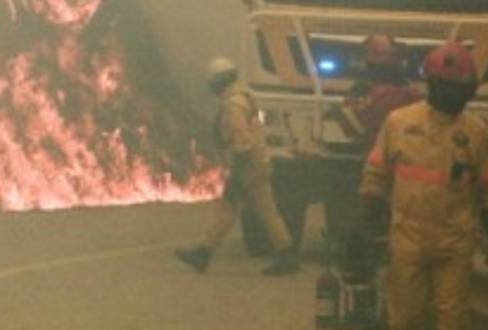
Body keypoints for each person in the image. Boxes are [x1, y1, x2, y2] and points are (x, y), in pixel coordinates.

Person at [356, 42, 488, 330]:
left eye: (464, 90)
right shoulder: (399, 123)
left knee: (453, 325)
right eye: (451, 88)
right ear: (433, 85)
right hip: (407, 239)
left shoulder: (475, 133)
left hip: (454, 244)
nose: (458, 97)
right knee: (407, 321)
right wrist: (365, 218)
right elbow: (376, 175)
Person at [175, 57, 299, 275]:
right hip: (257, 163)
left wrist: (237, 175)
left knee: (245, 210)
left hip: (248, 167)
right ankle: (205, 253)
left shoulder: (233, 105)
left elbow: (242, 142)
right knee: (252, 211)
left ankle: (204, 253)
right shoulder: (244, 97)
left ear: (218, 82)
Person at [324, 35, 423, 272]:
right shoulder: (414, 94)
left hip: (371, 165)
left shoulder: (364, 93)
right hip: (408, 168)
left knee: (360, 217)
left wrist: (338, 112)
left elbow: (352, 127)